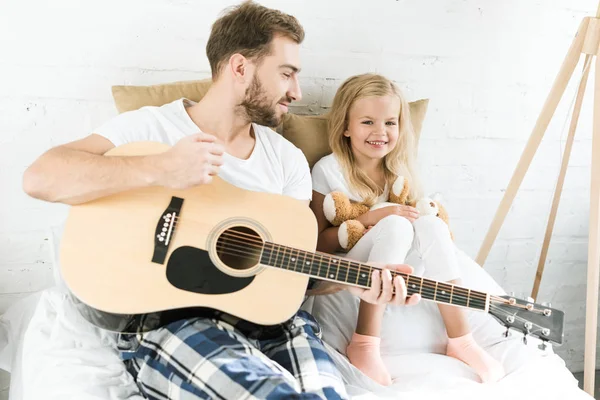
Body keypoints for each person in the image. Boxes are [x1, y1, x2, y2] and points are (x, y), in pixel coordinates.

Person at [22, 2, 419, 398]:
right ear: (240, 67)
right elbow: (41, 177)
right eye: (286, 74)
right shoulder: (153, 126)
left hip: (279, 322)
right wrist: (160, 169)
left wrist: (355, 284)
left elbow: (295, 265)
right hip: (174, 319)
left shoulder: (286, 159)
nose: (296, 92)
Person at [309, 73, 506, 386]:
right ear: (345, 126)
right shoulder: (328, 169)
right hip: (351, 265)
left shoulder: (399, 171)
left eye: (390, 122)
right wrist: (372, 218)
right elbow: (318, 245)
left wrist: (431, 222)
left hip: (400, 260)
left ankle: (461, 339)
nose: (380, 132)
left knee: (429, 223)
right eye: (367, 122)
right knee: (396, 224)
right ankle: (364, 342)